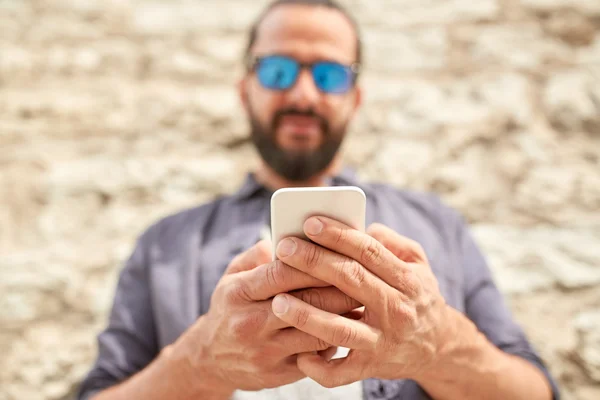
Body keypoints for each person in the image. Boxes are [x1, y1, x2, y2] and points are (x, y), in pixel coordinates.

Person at [77, 0, 560, 399]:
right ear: (246, 91)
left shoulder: (437, 226)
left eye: (330, 75)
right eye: (279, 70)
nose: (303, 94)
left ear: (355, 97)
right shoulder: (165, 245)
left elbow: (537, 392)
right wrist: (200, 364)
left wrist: (440, 345)